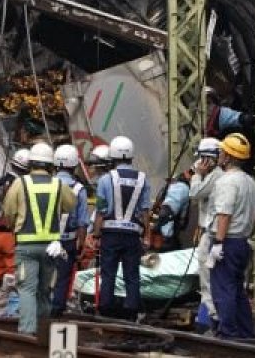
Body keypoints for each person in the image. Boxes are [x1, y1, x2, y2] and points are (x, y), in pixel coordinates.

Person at [2, 142, 77, 335]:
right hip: (51, 247)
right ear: (51, 165)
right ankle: (44, 332)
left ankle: (27, 331)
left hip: (26, 246)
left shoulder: (21, 183)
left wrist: (15, 225)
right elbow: (70, 205)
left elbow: (8, 211)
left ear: (31, 163)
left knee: (27, 289)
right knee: (45, 291)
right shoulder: (58, 184)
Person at [207, 133, 255, 339]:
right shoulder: (250, 181)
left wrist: (219, 242)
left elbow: (224, 214)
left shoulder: (227, 182)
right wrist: (246, 231)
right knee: (237, 291)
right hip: (241, 242)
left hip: (226, 242)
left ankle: (228, 334)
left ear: (228, 157)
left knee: (223, 290)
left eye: (222, 152)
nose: (219, 155)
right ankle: (246, 334)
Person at [92, 135, 151, 321]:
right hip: (132, 235)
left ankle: (105, 307)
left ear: (113, 156)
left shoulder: (105, 180)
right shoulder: (143, 180)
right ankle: (131, 309)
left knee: (108, 273)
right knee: (132, 274)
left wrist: (95, 234)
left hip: (109, 234)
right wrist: (147, 235)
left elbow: (101, 211)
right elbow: (144, 212)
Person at [188, 137, 222, 332]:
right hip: (208, 232)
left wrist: (196, 175)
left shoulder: (215, 176)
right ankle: (207, 316)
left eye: (202, 158)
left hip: (212, 234)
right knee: (206, 278)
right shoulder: (213, 176)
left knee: (208, 278)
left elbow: (194, 193)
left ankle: (210, 319)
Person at [50, 144, 88, 317]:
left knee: (45, 274)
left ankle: (42, 309)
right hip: (68, 241)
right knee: (63, 278)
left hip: (46, 239)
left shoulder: (46, 184)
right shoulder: (79, 189)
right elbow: (82, 223)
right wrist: (81, 246)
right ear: (74, 164)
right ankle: (57, 310)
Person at [0, 148, 29, 286]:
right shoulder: (21, 185)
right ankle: (10, 303)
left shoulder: (2, 180)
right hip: (10, 235)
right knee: (12, 270)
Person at [151, 167, 191, 252]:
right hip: (165, 236)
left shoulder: (174, 187)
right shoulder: (181, 187)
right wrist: (158, 228)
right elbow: (166, 210)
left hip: (164, 234)